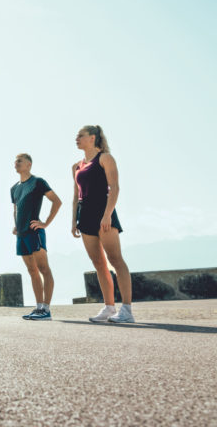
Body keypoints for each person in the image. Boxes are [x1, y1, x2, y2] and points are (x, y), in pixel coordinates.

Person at [72, 125, 134, 323]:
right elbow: (76, 196)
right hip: (85, 215)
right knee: (98, 263)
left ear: (92, 138)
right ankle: (109, 307)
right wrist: (74, 220)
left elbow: (114, 187)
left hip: (103, 211)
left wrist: (107, 214)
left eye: (80, 135)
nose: (77, 138)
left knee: (115, 259)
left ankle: (126, 310)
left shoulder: (105, 158)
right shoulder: (76, 166)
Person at [11, 153, 62, 321]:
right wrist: (16, 226)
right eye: (15, 161)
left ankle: (46, 309)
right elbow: (16, 209)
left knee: (43, 269)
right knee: (31, 270)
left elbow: (56, 201)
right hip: (22, 234)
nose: (16, 163)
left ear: (29, 164)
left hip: (34, 231)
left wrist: (45, 223)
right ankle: (39, 307)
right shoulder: (14, 188)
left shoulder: (38, 182)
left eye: (20, 161)